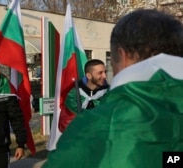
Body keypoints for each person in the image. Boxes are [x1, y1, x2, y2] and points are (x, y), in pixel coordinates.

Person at [42, 9, 183, 168]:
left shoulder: (95, 126)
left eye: (108, 67)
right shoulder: (79, 98)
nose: (105, 75)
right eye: (99, 72)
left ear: (122, 55)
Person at [58, 59, 109, 132]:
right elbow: (64, 124)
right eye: (100, 73)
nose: (104, 76)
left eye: (105, 72)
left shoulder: (110, 93)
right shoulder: (74, 95)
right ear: (89, 75)